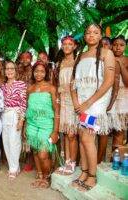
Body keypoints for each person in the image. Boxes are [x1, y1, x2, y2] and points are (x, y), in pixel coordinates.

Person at [71, 24, 115, 191]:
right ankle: (84, 171)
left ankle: (92, 176)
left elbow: (108, 81)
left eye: (95, 32)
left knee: (87, 138)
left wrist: (87, 103)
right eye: (88, 32)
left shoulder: (107, 53)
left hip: (96, 103)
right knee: (82, 138)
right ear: (84, 36)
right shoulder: (79, 56)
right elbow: (73, 83)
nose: (91, 35)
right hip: (81, 103)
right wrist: (76, 103)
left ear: (100, 35)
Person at [26, 61, 59, 188]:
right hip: (32, 124)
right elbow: (28, 108)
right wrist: (25, 126)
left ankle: (46, 177)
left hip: (47, 125)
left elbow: (57, 110)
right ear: (33, 72)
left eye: (42, 71)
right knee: (35, 150)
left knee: (43, 154)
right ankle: (40, 175)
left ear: (46, 73)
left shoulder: (51, 88)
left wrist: (55, 131)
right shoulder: (30, 89)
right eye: (36, 71)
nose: (38, 74)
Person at [54, 36, 78, 175]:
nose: (67, 46)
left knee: (71, 134)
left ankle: (73, 162)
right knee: (65, 133)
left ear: (74, 46)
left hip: (73, 99)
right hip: (62, 99)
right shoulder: (60, 63)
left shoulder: (77, 61)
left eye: (70, 44)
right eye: (64, 44)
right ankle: (67, 161)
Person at [1, 61, 27, 179]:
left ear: (16, 70)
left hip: (15, 115)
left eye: (12, 68)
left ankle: (14, 169)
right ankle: (14, 166)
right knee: (6, 141)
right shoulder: (3, 86)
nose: (9, 71)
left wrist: (21, 119)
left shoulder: (21, 84)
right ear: (5, 71)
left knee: (14, 142)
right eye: (7, 69)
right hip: (4, 115)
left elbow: (23, 103)